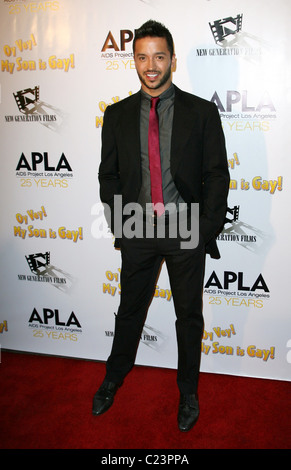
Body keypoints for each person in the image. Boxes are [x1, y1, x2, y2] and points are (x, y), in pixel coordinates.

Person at [93, 20, 230, 432]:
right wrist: (119, 220)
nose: (150, 66)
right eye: (142, 57)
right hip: (136, 227)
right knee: (129, 310)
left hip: (186, 227)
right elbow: (109, 176)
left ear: (171, 59)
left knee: (189, 314)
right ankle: (113, 376)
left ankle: (188, 389)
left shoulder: (201, 112)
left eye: (158, 56)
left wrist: (204, 229)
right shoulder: (115, 115)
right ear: (133, 60)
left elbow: (217, 176)